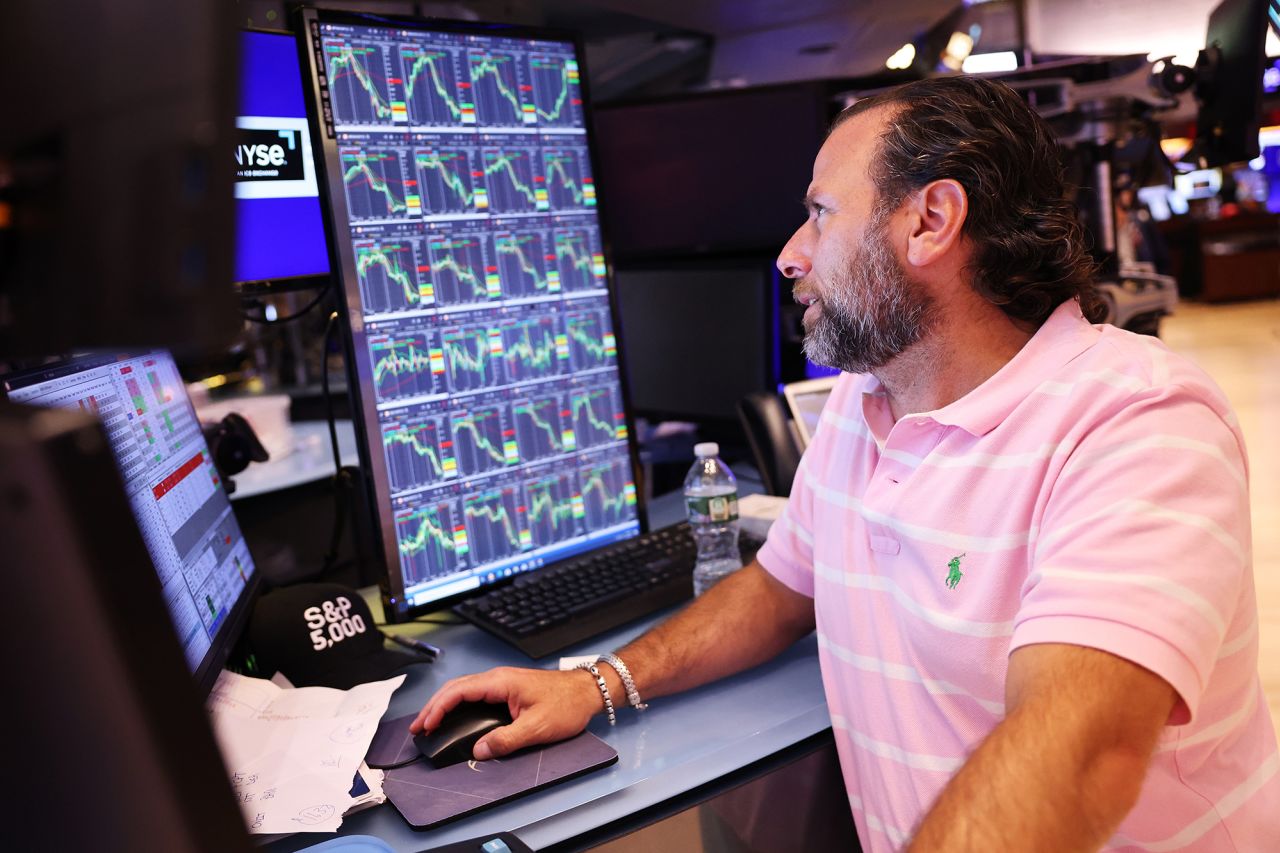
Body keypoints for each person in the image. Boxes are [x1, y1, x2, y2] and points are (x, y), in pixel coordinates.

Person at [411, 77, 1280, 851]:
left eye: (821, 212)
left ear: (931, 221)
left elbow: (1081, 753)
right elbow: (782, 587)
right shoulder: (868, 405)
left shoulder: (1137, 419)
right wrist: (599, 683)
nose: (790, 252)